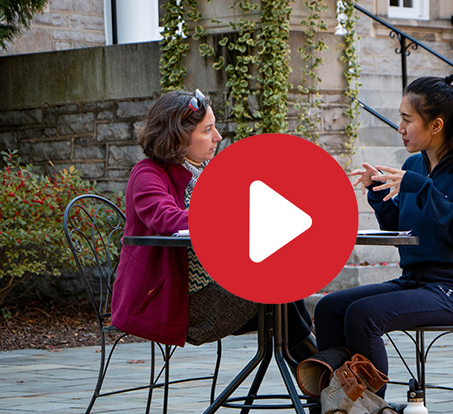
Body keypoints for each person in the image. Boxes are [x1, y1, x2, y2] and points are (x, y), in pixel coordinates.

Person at [303, 73, 453, 414]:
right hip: (415, 280)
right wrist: (380, 196)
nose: (401, 127)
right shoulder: (415, 164)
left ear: (436, 125)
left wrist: (420, 187)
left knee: (363, 315)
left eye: (407, 119)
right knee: (329, 307)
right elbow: (403, 230)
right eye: (401, 117)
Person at [110, 89, 316, 367]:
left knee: (285, 286)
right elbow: (167, 220)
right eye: (207, 130)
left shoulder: (204, 171)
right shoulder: (148, 174)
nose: (218, 137)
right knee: (278, 289)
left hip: (212, 287)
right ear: (178, 135)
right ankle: (328, 383)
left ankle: (326, 382)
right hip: (177, 300)